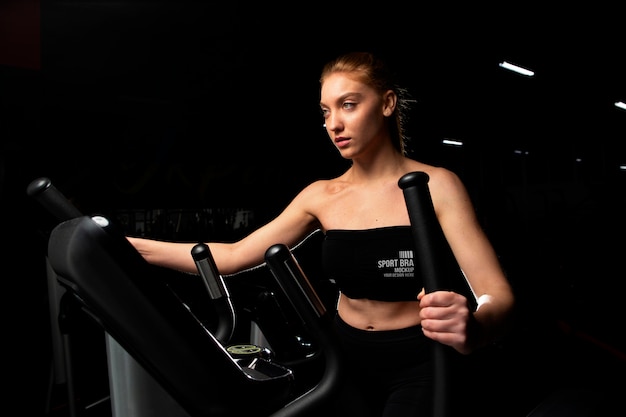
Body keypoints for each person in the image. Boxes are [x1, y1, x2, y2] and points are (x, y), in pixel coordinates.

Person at [127, 51, 515, 416]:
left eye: (348, 104)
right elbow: (231, 257)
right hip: (343, 356)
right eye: (325, 111)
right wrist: (127, 248)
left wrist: (475, 329)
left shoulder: (438, 185)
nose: (334, 124)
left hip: (420, 361)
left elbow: (497, 296)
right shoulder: (322, 195)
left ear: (387, 103)